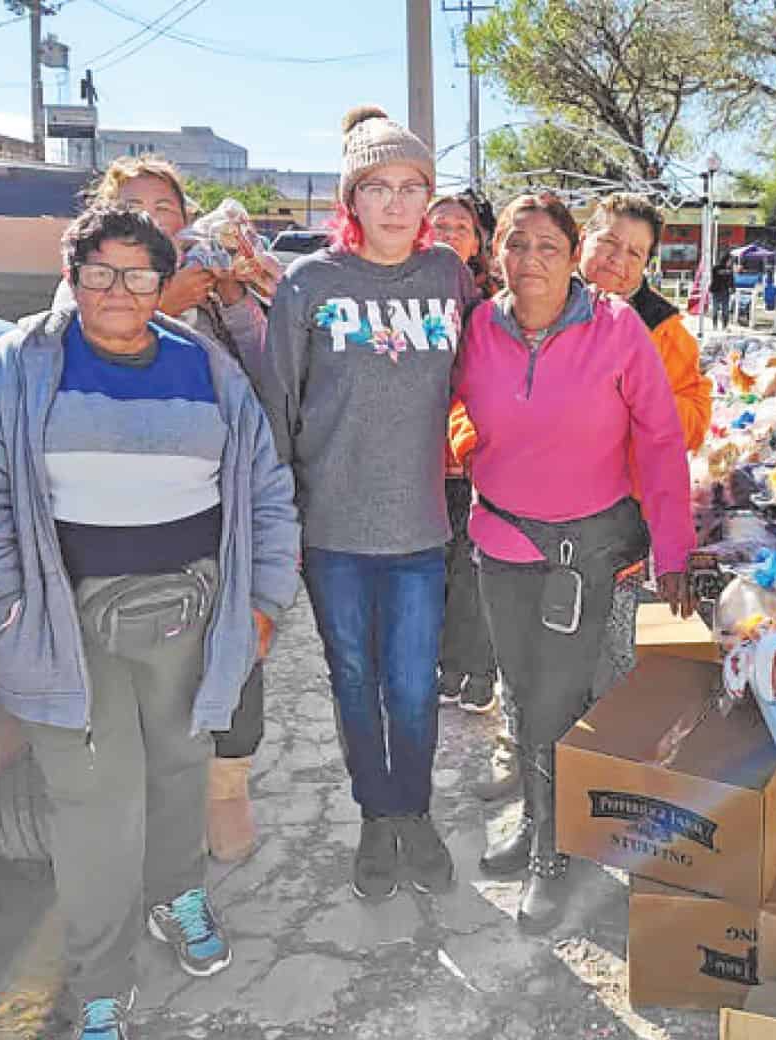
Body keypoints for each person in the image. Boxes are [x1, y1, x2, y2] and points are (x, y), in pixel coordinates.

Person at [0, 206, 300, 1040]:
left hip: (192, 610)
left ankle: (176, 895)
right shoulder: (19, 366)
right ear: (71, 277)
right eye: (99, 272)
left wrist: (262, 605)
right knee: (95, 807)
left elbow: (266, 488)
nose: (118, 290)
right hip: (64, 628)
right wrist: (6, 612)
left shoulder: (204, 365)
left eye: (139, 274)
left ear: (160, 284)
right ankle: (101, 979)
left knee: (180, 767)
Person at [454, 192, 695, 934]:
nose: (528, 262)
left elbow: (659, 441)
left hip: (580, 556)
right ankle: (538, 822)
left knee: (558, 702)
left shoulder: (619, 328)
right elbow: (453, 410)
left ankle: (552, 859)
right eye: (515, 246)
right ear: (497, 253)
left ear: (570, 258)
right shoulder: (477, 327)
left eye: (545, 248)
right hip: (499, 547)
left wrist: (674, 547)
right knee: (523, 697)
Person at [254, 106, 476, 904]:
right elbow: (277, 408)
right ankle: (374, 820)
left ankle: (410, 813)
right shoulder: (310, 284)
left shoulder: (448, 276)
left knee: (413, 685)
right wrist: (278, 530)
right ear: (351, 199)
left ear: (428, 197)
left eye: (410, 186)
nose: (393, 203)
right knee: (354, 680)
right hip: (334, 534)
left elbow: (478, 381)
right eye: (375, 187)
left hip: (419, 528)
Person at [54, 154, 273, 863]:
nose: (153, 219)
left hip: (212, 504)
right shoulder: (86, 296)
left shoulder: (204, 280)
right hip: (116, 530)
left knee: (233, 649)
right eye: (135, 206)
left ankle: (225, 787)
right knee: (137, 690)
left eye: (166, 208)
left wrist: (235, 295)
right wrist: (164, 300)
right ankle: (156, 825)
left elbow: (263, 372)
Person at [577, 192, 712, 696]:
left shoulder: (663, 328)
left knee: (610, 651)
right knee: (527, 645)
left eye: (635, 253)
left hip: (619, 520)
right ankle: (523, 750)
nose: (617, 260)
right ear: (583, 239)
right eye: (609, 242)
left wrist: (636, 402)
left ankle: (596, 760)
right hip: (530, 520)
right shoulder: (533, 301)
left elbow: (695, 421)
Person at [426, 194, 497, 714]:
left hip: (475, 453)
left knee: (476, 569)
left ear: (478, 242)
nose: (450, 233)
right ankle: (446, 668)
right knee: (436, 570)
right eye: (440, 224)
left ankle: (480, 671)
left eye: (461, 226)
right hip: (416, 457)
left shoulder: (494, 303)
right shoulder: (400, 292)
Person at [709, 254, 735, 330]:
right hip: (716, 291)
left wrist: (732, 288)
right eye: (730, 260)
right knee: (715, 309)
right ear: (726, 260)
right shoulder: (716, 268)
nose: (731, 262)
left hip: (726, 292)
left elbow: (732, 281)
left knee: (725, 310)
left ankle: (725, 326)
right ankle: (715, 325)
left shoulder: (730, 269)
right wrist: (726, 271)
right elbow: (715, 275)